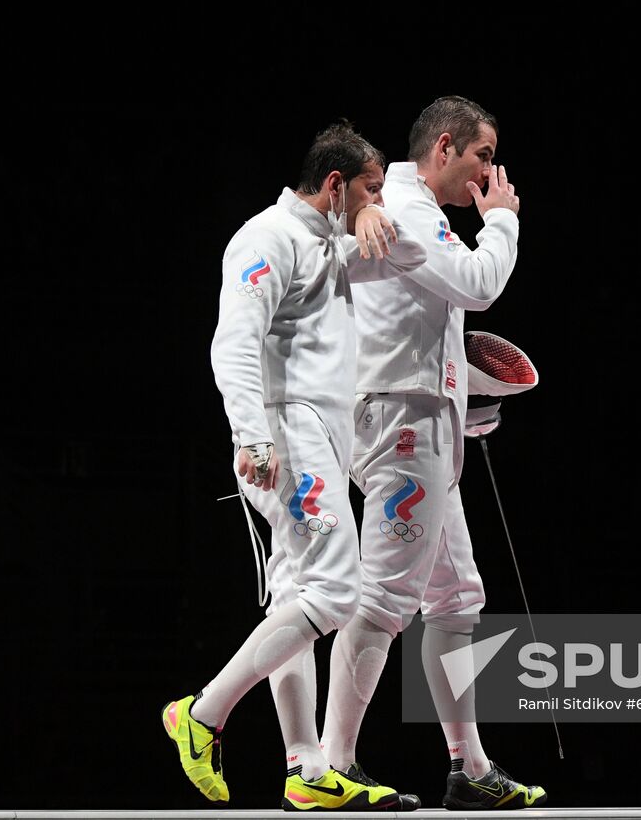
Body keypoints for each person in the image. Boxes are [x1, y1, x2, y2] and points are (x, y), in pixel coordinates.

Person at [163, 121, 426, 811]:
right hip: (288, 437)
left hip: (323, 437)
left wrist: (375, 204)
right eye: (367, 189)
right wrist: (252, 437)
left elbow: (419, 247)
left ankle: (306, 769)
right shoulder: (266, 239)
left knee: (295, 596)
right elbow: (234, 343)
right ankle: (202, 712)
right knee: (337, 592)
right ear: (333, 183)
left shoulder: (334, 241)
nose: (377, 203)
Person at [320, 96, 547, 809]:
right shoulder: (411, 211)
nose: (491, 170)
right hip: (402, 429)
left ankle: (468, 766)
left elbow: (424, 329)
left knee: (456, 599)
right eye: (484, 155)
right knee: (386, 599)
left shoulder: (412, 213)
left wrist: (466, 400)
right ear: (445, 147)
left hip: (426, 423)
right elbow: (479, 286)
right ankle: (332, 764)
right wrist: (503, 219)